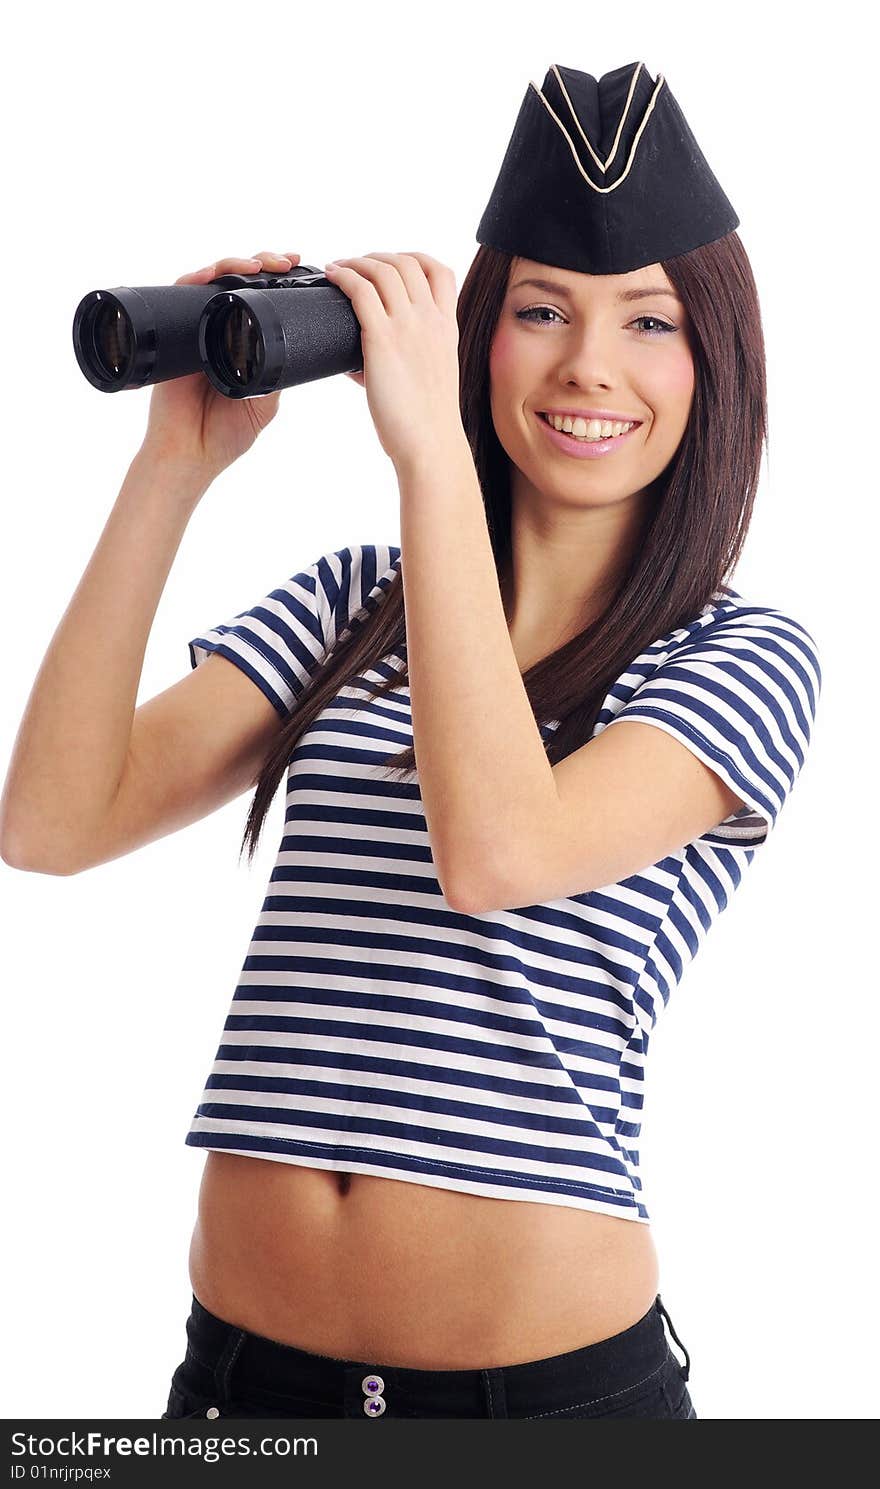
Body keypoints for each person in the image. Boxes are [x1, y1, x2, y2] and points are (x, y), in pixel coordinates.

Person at [0, 60, 821, 1421]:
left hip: (546, 1402)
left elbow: (496, 850)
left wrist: (432, 454)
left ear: (715, 363)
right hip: (243, 1384)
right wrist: (174, 469)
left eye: (651, 324)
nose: (588, 367)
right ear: (481, 333)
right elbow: (49, 822)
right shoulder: (352, 605)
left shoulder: (739, 658)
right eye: (542, 310)